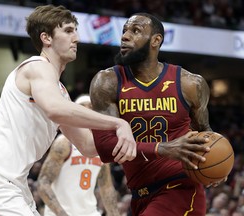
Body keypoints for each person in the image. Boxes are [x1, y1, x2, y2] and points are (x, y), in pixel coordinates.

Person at [0, 5, 137, 216]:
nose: (76, 38)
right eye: (68, 31)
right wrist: (117, 123)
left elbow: (88, 146)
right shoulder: (37, 66)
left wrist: (137, 132)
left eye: (75, 30)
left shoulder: (60, 92)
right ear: (46, 38)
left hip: (13, 184)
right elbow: (55, 110)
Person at [89, 13, 224, 216]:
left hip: (180, 190)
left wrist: (217, 163)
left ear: (156, 40)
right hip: (139, 195)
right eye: (125, 30)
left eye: (135, 31)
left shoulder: (189, 84)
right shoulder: (107, 82)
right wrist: (162, 148)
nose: (125, 36)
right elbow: (106, 149)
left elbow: (206, 134)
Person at [37, 94, 121, 216]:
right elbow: (43, 183)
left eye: (90, 106)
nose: (87, 109)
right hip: (61, 212)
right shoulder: (64, 143)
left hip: (90, 212)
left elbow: (106, 187)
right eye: (82, 106)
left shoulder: (100, 146)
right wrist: (61, 213)